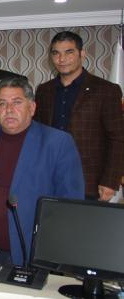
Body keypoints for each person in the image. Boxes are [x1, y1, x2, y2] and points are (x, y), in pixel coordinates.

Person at [0, 77, 84, 265]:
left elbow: (70, 205)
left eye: (17, 102)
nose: (9, 109)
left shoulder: (57, 143)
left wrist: (53, 251)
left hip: (31, 253)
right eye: (2, 103)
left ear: (32, 108)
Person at [34, 31, 124, 200]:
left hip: (89, 182)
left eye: (69, 52)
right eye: (56, 53)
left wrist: (110, 180)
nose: (62, 59)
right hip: (48, 178)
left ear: (82, 54)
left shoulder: (106, 90)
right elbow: (37, 133)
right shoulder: (44, 90)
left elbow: (118, 138)